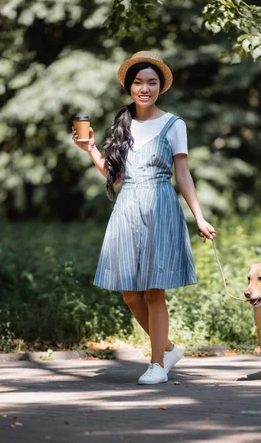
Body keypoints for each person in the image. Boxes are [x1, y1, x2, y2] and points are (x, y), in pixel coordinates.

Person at [72, 51, 216, 385]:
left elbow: (183, 174)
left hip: (161, 205)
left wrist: (200, 216)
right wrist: (91, 149)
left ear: (161, 87)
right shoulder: (123, 123)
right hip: (127, 206)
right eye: (139, 82)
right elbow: (116, 176)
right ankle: (166, 348)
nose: (145, 88)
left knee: (154, 291)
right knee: (129, 292)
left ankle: (156, 365)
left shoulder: (173, 124)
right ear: (130, 86)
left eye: (152, 82)